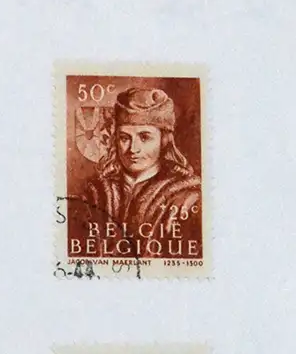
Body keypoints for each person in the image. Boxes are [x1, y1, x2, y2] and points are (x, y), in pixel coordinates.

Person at [74, 83, 202, 253]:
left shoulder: (187, 198)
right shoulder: (96, 194)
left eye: (144, 137)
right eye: (124, 138)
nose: (133, 149)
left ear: (164, 140)